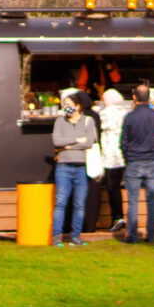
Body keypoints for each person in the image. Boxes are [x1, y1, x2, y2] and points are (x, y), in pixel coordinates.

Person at [120, 85, 154, 243]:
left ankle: (132, 235)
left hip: (134, 161)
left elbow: (123, 142)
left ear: (134, 97)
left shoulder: (129, 117)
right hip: (151, 161)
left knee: (133, 201)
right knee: (151, 200)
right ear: (149, 97)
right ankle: (150, 235)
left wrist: (128, 158)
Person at [51, 92, 96, 246]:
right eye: (65, 105)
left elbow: (89, 142)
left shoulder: (88, 121)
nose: (66, 108)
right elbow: (57, 141)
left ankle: (75, 236)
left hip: (81, 167)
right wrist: (77, 140)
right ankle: (56, 236)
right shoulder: (59, 122)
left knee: (79, 204)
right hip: (63, 166)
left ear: (78, 106)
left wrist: (67, 146)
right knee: (61, 202)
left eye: (69, 105)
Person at [70, 90, 104, 234]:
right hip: (94, 158)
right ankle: (90, 225)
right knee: (93, 194)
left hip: (80, 157)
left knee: (78, 193)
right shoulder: (95, 116)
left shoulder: (79, 117)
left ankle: (77, 225)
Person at [98, 89, 128, 232]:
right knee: (117, 185)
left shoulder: (105, 114)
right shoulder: (125, 113)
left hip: (109, 156)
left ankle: (117, 217)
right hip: (122, 156)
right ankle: (118, 216)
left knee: (112, 187)